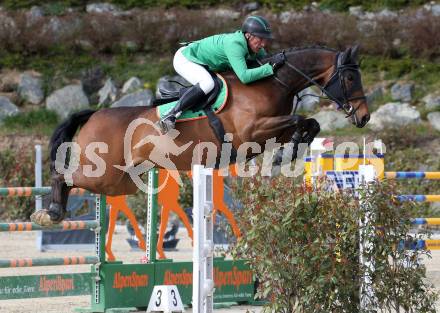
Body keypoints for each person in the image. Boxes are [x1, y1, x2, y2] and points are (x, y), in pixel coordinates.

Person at [159, 15, 286, 133]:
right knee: (208, 83)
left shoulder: (256, 48)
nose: (263, 44)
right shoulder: (235, 45)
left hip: (204, 63)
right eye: (260, 39)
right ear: (248, 35)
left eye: (266, 40)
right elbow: (245, 77)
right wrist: (271, 68)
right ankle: (170, 115)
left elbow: (264, 62)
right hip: (185, 58)